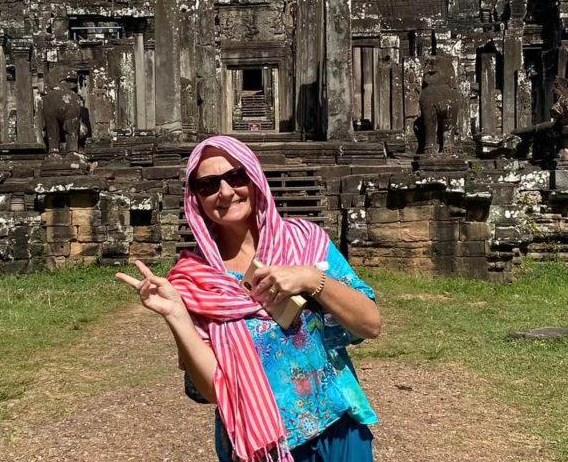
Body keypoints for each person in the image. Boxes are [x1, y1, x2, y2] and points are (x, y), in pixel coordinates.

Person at [116, 135, 381, 462]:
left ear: (254, 178)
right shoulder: (193, 280)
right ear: (196, 198)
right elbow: (214, 390)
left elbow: (370, 324)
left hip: (339, 430)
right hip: (261, 446)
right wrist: (175, 315)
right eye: (208, 185)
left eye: (236, 176)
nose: (226, 192)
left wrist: (312, 279)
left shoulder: (305, 243)